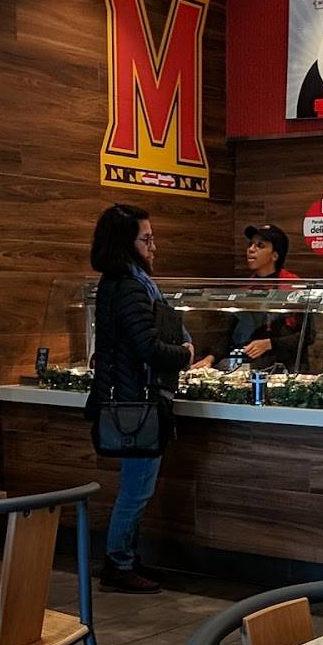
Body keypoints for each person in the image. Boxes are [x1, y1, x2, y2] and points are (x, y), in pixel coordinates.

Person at [86, 203, 194, 594]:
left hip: (127, 399)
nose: (153, 247)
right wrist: (185, 354)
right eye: (146, 239)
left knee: (135, 486)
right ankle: (118, 563)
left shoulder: (114, 283)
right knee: (137, 489)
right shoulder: (131, 286)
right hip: (137, 404)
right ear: (125, 244)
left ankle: (128, 558)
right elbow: (147, 347)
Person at [192, 223, 313, 373]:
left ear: (275, 255)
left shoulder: (294, 287)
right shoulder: (245, 290)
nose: (251, 249)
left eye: (260, 246)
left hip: (289, 371)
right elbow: (230, 335)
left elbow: (307, 336)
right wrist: (211, 358)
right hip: (254, 370)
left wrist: (270, 344)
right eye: (250, 244)